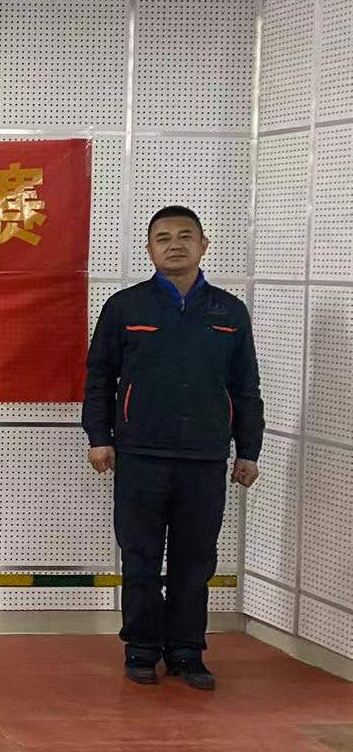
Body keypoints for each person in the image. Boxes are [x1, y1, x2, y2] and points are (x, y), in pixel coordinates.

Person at [83, 205, 262, 691]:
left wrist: (248, 449)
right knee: (140, 557)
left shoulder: (229, 312)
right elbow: (99, 377)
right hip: (140, 455)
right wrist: (99, 437)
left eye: (186, 236)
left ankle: (186, 651)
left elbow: (245, 387)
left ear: (204, 245)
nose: (175, 244)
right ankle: (141, 648)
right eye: (163, 238)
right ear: (149, 249)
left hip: (205, 458)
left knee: (195, 560)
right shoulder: (126, 307)